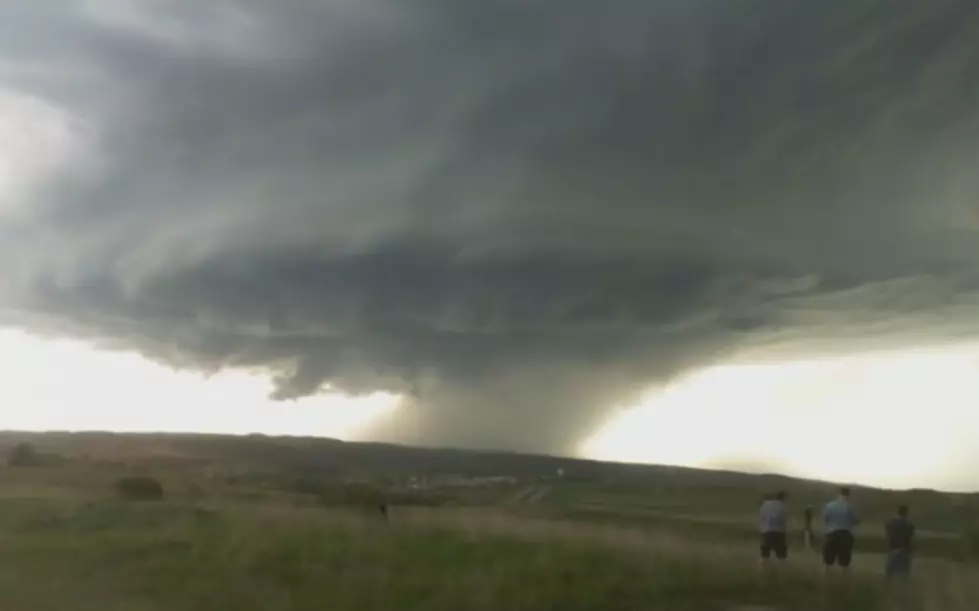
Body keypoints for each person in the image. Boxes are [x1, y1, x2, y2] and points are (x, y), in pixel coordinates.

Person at [822, 486, 859, 574]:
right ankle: (842, 577)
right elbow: (855, 521)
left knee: (829, 556)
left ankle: (826, 574)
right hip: (845, 533)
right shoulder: (849, 506)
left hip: (832, 532)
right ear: (848, 495)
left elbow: (826, 518)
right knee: (844, 557)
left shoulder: (829, 505)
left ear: (839, 494)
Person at [759, 490, 789, 566]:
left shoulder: (765, 505)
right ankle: (782, 572)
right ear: (783, 498)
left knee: (765, 554)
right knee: (782, 555)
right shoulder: (783, 506)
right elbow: (783, 520)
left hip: (766, 531)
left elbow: (762, 517)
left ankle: (762, 571)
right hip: (779, 532)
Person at [885, 505, 915, 579]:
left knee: (891, 570)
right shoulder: (909, 524)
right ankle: (903, 587)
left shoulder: (891, 522)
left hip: (893, 547)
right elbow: (911, 535)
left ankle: (889, 586)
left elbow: (888, 532)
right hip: (904, 548)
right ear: (906, 513)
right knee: (904, 571)